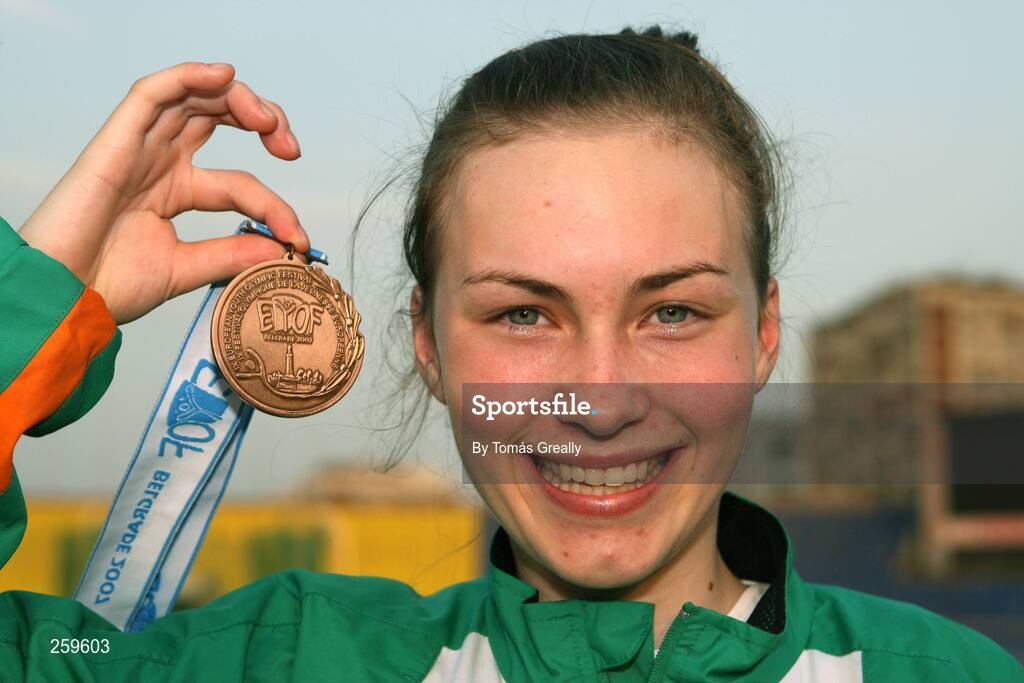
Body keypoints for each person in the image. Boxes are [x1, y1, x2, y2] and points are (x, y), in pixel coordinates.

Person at [0, 28, 1020, 682]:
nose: (603, 401)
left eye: (671, 313)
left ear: (760, 336)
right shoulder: (289, 657)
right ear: (429, 348)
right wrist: (35, 298)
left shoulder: (939, 671)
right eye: (524, 316)